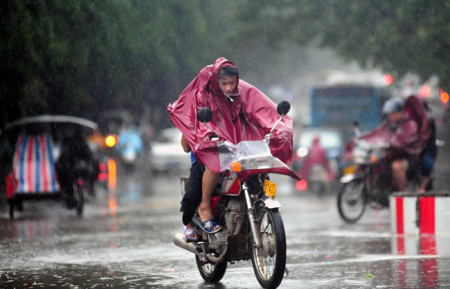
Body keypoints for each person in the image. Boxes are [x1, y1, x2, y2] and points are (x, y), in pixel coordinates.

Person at [168, 57, 293, 237]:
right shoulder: (203, 96)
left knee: (262, 169)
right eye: (224, 83)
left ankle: (264, 201)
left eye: (232, 83)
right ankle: (204, 207)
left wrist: (276, 128)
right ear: (215, 81)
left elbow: (260, 109)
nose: (228, 88)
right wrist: (206, 135)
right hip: (208, 152)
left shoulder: (241, 94)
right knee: (208, 174)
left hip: (238, 150)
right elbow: (196, 126)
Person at [359, 97, 421, 192]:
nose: (390, 116)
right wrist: (362, 139)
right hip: (387, 156)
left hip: (405, 156)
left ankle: (402, 192)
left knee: (396, 166)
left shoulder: (409, 124)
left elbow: (407, 140)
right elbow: (375, 133)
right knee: (372, 165)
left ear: (400, 112)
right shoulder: (387, 124)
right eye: (389, 114)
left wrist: (394, 143)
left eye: (392, 113)